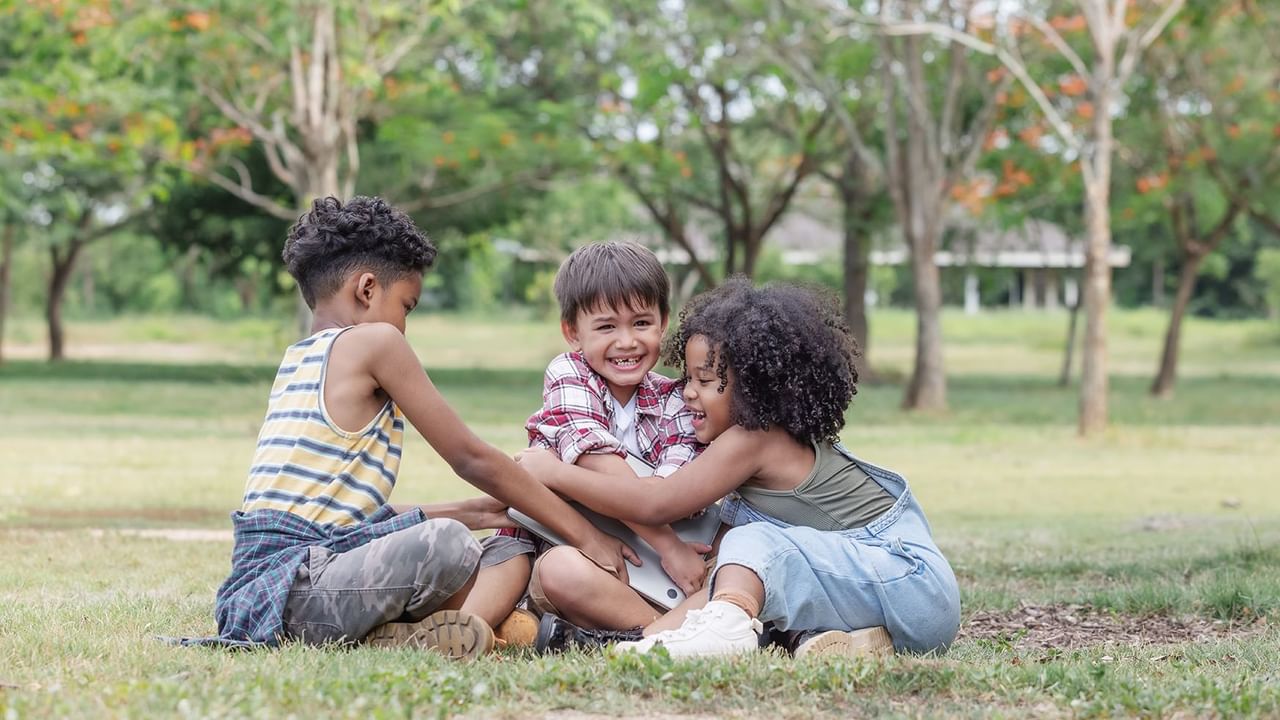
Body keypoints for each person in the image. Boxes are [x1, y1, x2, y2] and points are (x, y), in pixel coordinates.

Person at [211, 196, 629, 659]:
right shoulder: (375, 343)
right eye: (406, 307)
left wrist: (478, 510)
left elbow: (343, 521)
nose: (404, 327)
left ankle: (438, 631)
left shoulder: (298, 359)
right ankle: (475, 624)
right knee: (446, 544)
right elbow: (470, 457)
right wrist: (586, 536)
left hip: (292, 582)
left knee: (505, 553)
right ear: (367, 289)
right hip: (296, 590)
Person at [516, 280, 961, 658]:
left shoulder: (754, 439)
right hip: (879, 590)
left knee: (751, 544)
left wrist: (553, 472)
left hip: (911, 584)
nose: (688, 394)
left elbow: (653, 503)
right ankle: (660, 640)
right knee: (733, 558)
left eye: (706, 383)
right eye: (688, 378)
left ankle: (715, 633)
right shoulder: (753, 451)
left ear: (757, 388)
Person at [478, 241, 709, 641]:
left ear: (663, 322)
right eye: (606, 327)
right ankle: (669, 636)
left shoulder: (675, 399)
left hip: (659, 570)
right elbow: (603, 464)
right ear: (572, 332)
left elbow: (665, 495)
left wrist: (554, 472)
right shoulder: (568, 374)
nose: (626, 342)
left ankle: (655, 632)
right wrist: (669, 546)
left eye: (641, 323)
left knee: (742, 555)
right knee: (559, 570)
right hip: (585, 558)